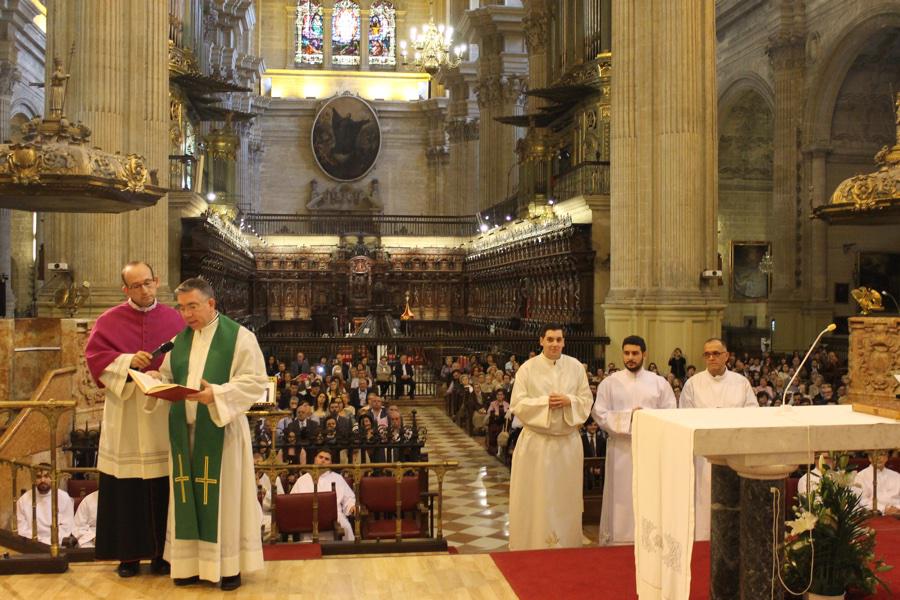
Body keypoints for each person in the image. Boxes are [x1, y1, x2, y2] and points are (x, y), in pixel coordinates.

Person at [144, 277, 267, 591]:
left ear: (211, 303)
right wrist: (158, 377)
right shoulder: (180, 340)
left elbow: (255, 382)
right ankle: (189, 565)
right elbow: (172, 374)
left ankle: (228, 567)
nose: (186, 314)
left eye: (193, 306)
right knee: (188, 500)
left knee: (223, 501)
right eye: (182, 307)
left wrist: (219, 394)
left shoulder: (239, 337)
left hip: (220, 433)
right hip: (185, 436)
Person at [84, 260, 184, 577]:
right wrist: (129, 361)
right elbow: (96, 359)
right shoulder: (108, 320)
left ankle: (163, 556)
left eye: (148, 282)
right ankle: (128, 557)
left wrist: (161, 371)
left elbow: (187, 360)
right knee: (125, 489)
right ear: (125, 289)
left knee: (162, 488)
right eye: (136, 285)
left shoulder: (175, 319)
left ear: (156, 281)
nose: (144, 290)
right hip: (125, 414)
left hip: (160, 414)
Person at [508, 324, 593, 551]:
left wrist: (569, 401)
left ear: (564, 342)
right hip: (537, 443)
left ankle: (567, 545)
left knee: (565, 500)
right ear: (541, 341)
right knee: (536, 498)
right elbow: (517, 404)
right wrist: (545, 403)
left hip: (567, 444)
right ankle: (530, 544)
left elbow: (586, 400)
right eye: (550, 339)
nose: (555, 344)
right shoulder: (527, 369)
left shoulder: (575, 367)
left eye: (559, 340)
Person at [593, 335, 676, 545]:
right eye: (627, 353)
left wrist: (645, 417)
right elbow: (599, 414)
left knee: (649, 494)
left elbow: (671, 414)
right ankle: (619, 539)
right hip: (620, 449)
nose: (630, 358)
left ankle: (651, 540)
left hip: (650, 449)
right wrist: (629, 417)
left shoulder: (659, 383)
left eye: (635, 353)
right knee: (621, 496)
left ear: (644, 354)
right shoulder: (609, 383)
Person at [679, 337, 757, 540]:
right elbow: (684, 417)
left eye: (716, 353)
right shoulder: (693, 384)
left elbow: (753, 413)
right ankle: (704, 539)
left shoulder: (741, 383)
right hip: (704, 455)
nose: (711, 358)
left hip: (735, 453)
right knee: (705, 499)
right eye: (707, 354)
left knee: (733, 500)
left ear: (726, 356)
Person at [290, 449, 357, 540]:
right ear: (315, 459)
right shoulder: (302, 480)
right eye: (320, 457)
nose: (323, 460)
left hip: (336, 517)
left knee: (345, 527)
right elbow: (292, 501)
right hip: (310, 517)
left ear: (330, 463)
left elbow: (349, 498)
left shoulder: (338, 478)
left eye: (327, 459)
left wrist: (352, 506)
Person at [16, 466, 75, 546]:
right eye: (39, 477)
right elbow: (21, 528)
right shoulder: (24, 499)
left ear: (53, 478)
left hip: (56, 543)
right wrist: (37, 541)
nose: (42, 480)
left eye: (46, 476)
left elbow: (67, 527)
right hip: (31, 544)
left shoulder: (63, 497)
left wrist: (49, 541)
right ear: (34, 479)